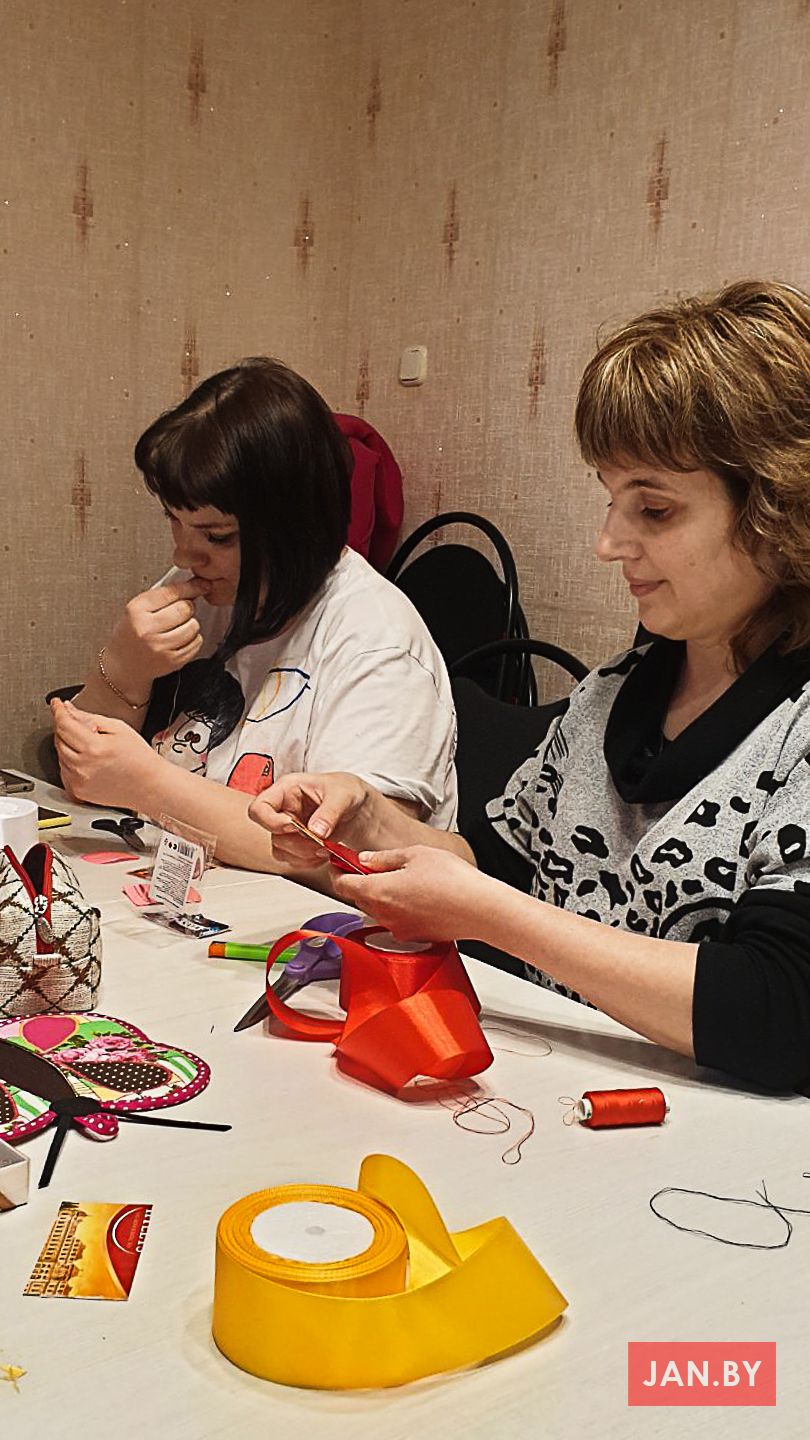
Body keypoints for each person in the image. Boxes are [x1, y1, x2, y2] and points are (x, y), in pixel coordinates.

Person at [249, 280, 810, 1090]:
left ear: (778, 510)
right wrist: (365, 821)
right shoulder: (613, 694)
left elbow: (781, 1011)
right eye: (612, 500)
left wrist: (486, 914)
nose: (609, 542)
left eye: (654, 511)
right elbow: (504, 867)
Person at [52, 357, 457, 874]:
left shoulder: (378, 642)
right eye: (174, 521)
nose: (183, 555)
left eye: (217, 536)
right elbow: (83, 778)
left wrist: (148, 785)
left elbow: (350, 862)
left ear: (295, 526)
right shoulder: (212, 591)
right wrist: (122, 665)